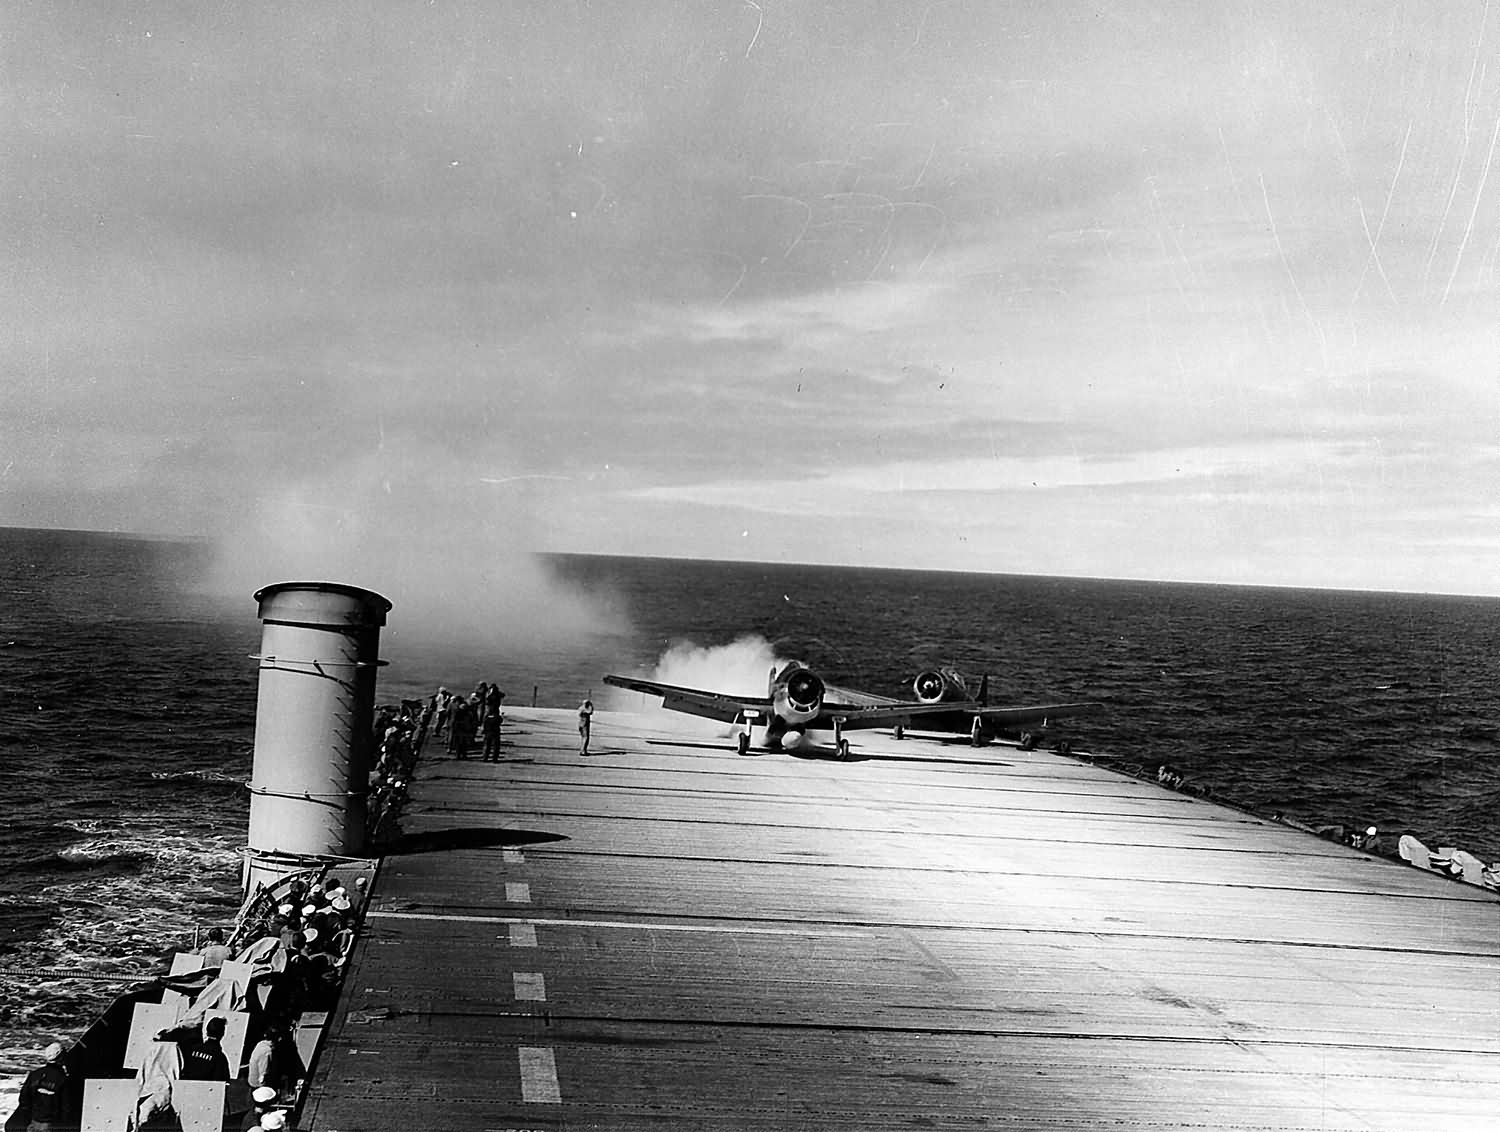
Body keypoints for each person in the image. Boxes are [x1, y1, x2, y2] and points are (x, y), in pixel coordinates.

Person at [12, 1042, 72, 1132]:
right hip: (52, 1125)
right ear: (62, 1058)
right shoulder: (63, 1079)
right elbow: (66, 1107)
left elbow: (24, 1099)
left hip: (33, 1122)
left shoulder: (35, 1074)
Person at [158, 1015, 231, 1081]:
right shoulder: (220, 1058)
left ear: (206, 1031)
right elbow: (220, 1086)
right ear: (223, 1033)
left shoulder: (190, 1050)